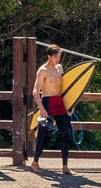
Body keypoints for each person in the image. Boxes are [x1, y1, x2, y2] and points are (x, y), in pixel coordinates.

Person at [31, 44, 73, 175]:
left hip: (59, 102)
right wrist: (41, 108)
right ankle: (35, 162)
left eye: (59, 56)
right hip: (47, 101)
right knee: (44, 134)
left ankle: (65, 166)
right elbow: (35, 91)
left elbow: (66, 89)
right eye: (56, 56)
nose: (58, 59)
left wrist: (70, 106)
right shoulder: (42, 70)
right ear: (49, 56)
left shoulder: (59, 68)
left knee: (65, 132)